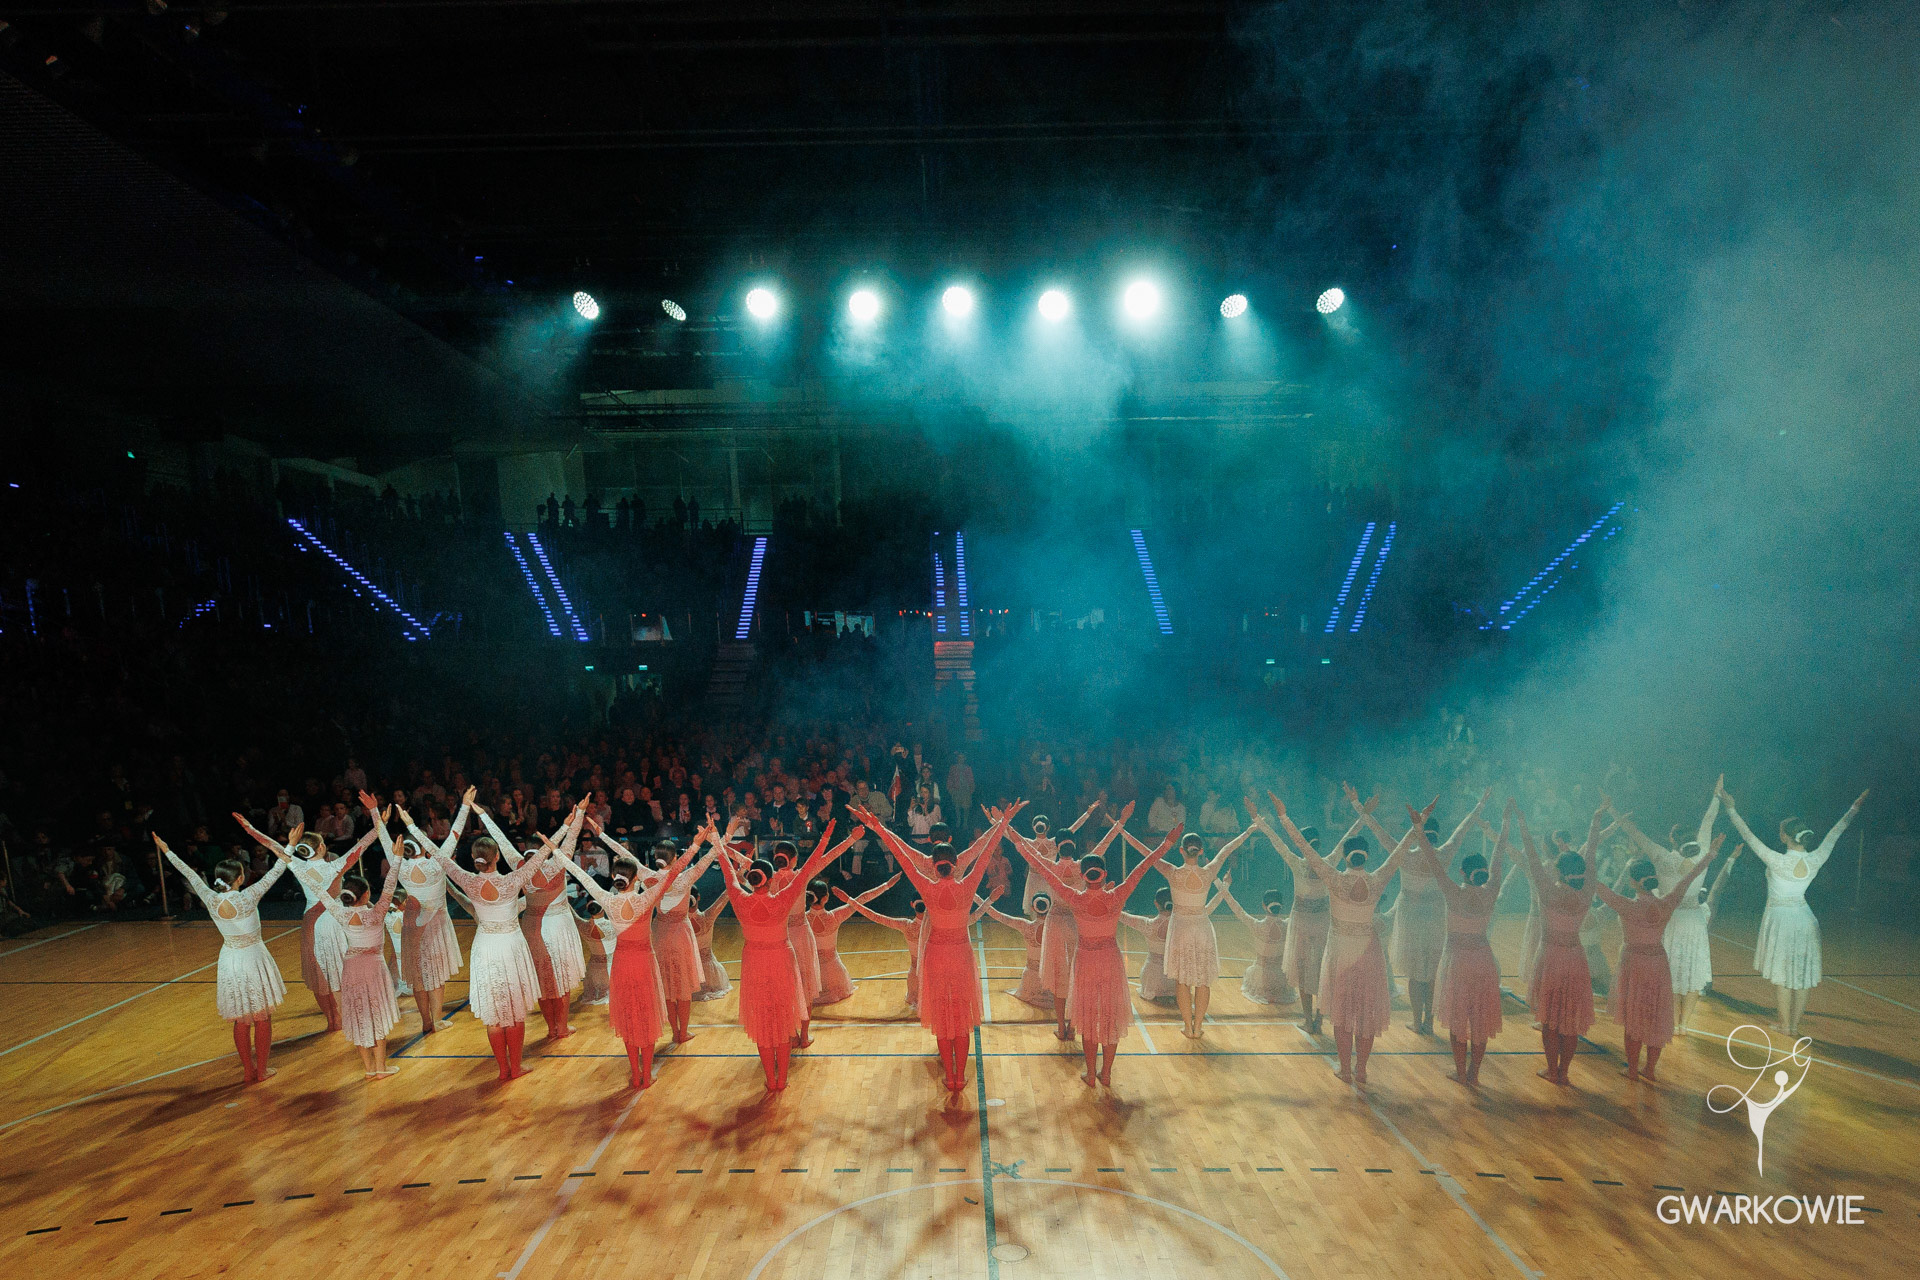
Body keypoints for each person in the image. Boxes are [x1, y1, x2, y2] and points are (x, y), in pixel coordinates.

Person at [854, 804, 1019, 1090]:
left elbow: (901, 855)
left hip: (936, 949)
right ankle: (960, 1076)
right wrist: (1002, 822)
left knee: (942, 1014)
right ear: (954, 863)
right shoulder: (967, 884)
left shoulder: (926, 884)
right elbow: (984, 853)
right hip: (960, 950)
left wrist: (877, 827)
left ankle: (950, 1076)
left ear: (934, 863)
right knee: (961, 1016)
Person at [1011, 815, 1179, 1087]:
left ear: (1083, 875)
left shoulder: (1075, 898)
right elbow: (1143, 866)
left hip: (1087, 961)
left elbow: (1041, 867)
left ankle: (1091, 1074)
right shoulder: (1116, 896)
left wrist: (1015, 838)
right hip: (1110, 960)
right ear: (1104, 875)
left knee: (1089, 1016)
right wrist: (1167, 844)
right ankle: (1106, 1073)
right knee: (1109, 1015)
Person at [547, 827, 704, 1089]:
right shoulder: (646, 898)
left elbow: (580, 875)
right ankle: (647, 1075)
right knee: (646, 1015)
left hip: (621, 964)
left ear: (613, 877)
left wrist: (557, 852)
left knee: (630, 1017)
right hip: (644, 963)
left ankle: (635, 1073)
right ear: (636, 878)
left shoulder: (607, 899)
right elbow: (675, 872)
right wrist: (696, 845)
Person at [715, 820, 863, 1091]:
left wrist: (719, 842)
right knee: (801, 988)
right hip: (789, 940)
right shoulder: (792, 885)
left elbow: (732, 869)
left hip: (760, 951)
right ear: (792, 859)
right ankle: (800, 1037)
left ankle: (772, 1074)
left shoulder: (750, 888)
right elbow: (822, 858)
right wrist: (844, 838)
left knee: (766, 1009)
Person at [1718, 782, 1868, 1038]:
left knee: (1783, 974)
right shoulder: (1816, 857)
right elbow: (1837, 831)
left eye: (1781, 832)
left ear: (1785, 837)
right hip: (1804, 918)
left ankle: (1786, 1025)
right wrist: (1854, 808)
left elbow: (1748, 836)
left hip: (1782, 920)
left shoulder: (1776, 860)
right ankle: (1794, 1026)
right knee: (1801, 975)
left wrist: (1731, 809)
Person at [1289, 789, 1408, 1086]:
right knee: (1365, 1014)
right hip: (1369, 953)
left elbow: (1304, 847)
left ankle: (1345, 1069)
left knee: (1342, 1014)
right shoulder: (1377, 879)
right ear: (1367, 856)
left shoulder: (1335, 878)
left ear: (1344, 856)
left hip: (1341, 953)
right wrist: (1416, 827)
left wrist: (1282, 816)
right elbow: (1399, 853)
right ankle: (1362, 1069)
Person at [426, 822, 556, 1082]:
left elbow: (439, 856)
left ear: (475, 858)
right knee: (514, 1012)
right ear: (497, 857)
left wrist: (410, 825)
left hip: (486, 948)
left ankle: (503, 1069)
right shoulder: (512, 880)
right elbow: (541, 857)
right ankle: (515, 1067)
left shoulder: (468, 880)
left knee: (495, 1014)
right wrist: (563, 829)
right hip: (509, 947)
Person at [154, 835, 288, 1083]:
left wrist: (167, 850)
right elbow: (278, 869)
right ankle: (261, 1070)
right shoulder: (248, 896)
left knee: (241, 1018)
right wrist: (290, 844)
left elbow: (188, 873)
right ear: (240, 878)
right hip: (252, 957)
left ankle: (248, 1070)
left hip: (230, 959)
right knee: (262, 1017)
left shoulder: (210, 897)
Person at [1593, 825, 1721, 1083]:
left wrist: (1592, 842)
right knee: (1655, 1016)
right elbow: (1688, 879)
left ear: (1632, 881)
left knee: (1633, 1017)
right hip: (1658, 963)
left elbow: (1596, 886)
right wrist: (1709, 856)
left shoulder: (1626, 905)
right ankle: (1650, 1069)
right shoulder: (1667, 903)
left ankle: (1632, 1069)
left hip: (1634, 963)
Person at [235, 811, 375, 1034]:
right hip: (333, 922)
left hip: (311, 922)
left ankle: (332, 1020)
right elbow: (362, 845)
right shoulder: (335, 866)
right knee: (339, 970)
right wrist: (379, 823)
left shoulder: (297, 865)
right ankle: (349, 1016)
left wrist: (250, 829)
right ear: (322, 847)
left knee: (319, 972)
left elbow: (273, 846)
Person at [1122, 821, 1258, 1037]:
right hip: (1202, 928)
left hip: (1181, 930)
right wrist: (1249, 830)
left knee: (1182, 980)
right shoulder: (1208, 872)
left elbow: (1147, 853)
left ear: (1182, 851)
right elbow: (1227, 848)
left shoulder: (1173, 872)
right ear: (1201, 851)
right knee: (1202, 980)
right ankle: (1198, 1027)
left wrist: (1122, 830)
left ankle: (1187, 1026)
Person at [468, 799, 586, 1042]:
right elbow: (572, 838)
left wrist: (483, 814)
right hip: (558, 926)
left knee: (543, 980)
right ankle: (561, 1027)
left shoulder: (519, 865)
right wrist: (579, 813)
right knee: (560, 980)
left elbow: (500, 840)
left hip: (533, 927)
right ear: (545, 849)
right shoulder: (557, 863)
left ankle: (551, 1028)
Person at [1411, 802, 1510, 1087]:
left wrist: (1418, 828)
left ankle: (1460, 1071)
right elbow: (1499, 857)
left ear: (1463, 873)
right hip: (1483, 960)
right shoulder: (1491, 891)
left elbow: (1432, 861)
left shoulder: (1453, 891)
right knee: (1479, 1021)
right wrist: (1505, 824)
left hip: (1457, 961)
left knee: (1458, 1018)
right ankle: (1474, 1074)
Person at [1613, 780, 1723, 1034]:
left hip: (1670, 919)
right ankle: (1684, 1024)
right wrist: (1716, 796)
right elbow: (1708, 822)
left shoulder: (1662, 857)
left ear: (1672, 840)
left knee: (1670, 969)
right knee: (1692, 970)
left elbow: (1636, 834)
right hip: (1694, 920)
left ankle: (1673, 1021)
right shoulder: (1702, 854)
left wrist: (1613, 813)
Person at [1515, 806, 1614, 1085]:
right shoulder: (1587, 891)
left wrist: (1522, 821)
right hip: (1574, 957)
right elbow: (1590, 854)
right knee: (1569, 1019)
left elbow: (1532, 856)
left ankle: (1552, 1069)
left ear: (1557, 871)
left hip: (1550, 957)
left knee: (1549, 1018)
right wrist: (1596, 820)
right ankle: (1565, 1072)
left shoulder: (1547, 890)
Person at [372, 791, 467, 1035]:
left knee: (418, 975)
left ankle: (426, 1020)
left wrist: (376, 815)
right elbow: (455, 834)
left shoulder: (400, 866)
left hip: (412, 925)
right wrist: (465, 806)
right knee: (435, 976)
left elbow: (385, 840)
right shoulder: (436, 863)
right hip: (435, 925)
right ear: (424, 846)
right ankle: (436, 1020)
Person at [311, 857, 405, 1079]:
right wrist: (397, 857)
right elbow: (390, 883)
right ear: (366, 894)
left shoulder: (340, 912)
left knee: (359, 1014)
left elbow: (317, 888)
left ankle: (369, 1068)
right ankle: (380, 1067)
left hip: (352, 967)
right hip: (373, 968)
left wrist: (289, 858)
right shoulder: (376, 912)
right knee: (376, 1014)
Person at [809, 873, 901, 1005]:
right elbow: (862, 899)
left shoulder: (802, 918)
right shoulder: (834, 917)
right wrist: (886, 885)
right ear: (826, 898)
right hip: (833, 975)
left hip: (812, 973)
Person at [1218, 882, 1297, 1008]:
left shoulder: (1257, 926)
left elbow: (1237, 909)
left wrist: (1220, 884)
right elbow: (1296, 908)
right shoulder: (1288, 925)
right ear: (1281, 905)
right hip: (1281, 979)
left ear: (1263, 905)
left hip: (1261, 980)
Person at [980, 895, 1052, 1010]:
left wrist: (977, 898)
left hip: (1030, 978)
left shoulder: (1025, 926)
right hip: (1049, 978)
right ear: (1049, 908)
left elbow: (998, 915)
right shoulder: (1055, 928)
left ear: (1032, 908)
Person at [1119, 887, 1178, 1007]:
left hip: (1152, 981)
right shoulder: (1182, 925)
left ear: (1156, 903)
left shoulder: (1148, 924)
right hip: (1176, 980)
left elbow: (1121, 916)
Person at [690, 886, 732, 1001]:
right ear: (698, 897)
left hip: (689, 974)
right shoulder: (707, 917)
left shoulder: (677, 922)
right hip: (710, 976)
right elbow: (723, 898)